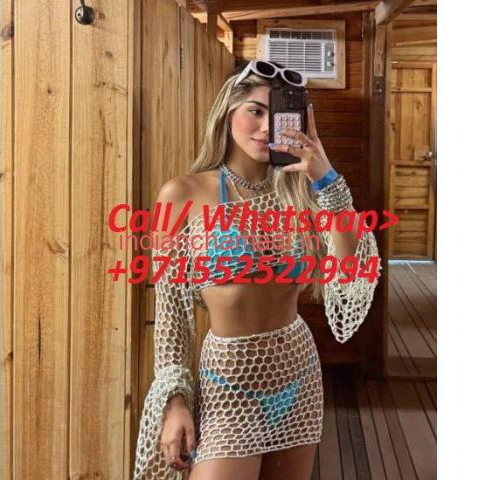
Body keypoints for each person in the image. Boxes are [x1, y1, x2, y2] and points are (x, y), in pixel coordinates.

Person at [133, 60, 380, 480]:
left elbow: (353, 269)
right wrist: (175, 401)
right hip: (227, 388)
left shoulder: (302, 192)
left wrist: (327, 178)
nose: (266, 128)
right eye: (255, 111)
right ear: (228, 111)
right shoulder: (183, 194)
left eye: (278, 115)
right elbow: (172, 313)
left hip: (299, 377)